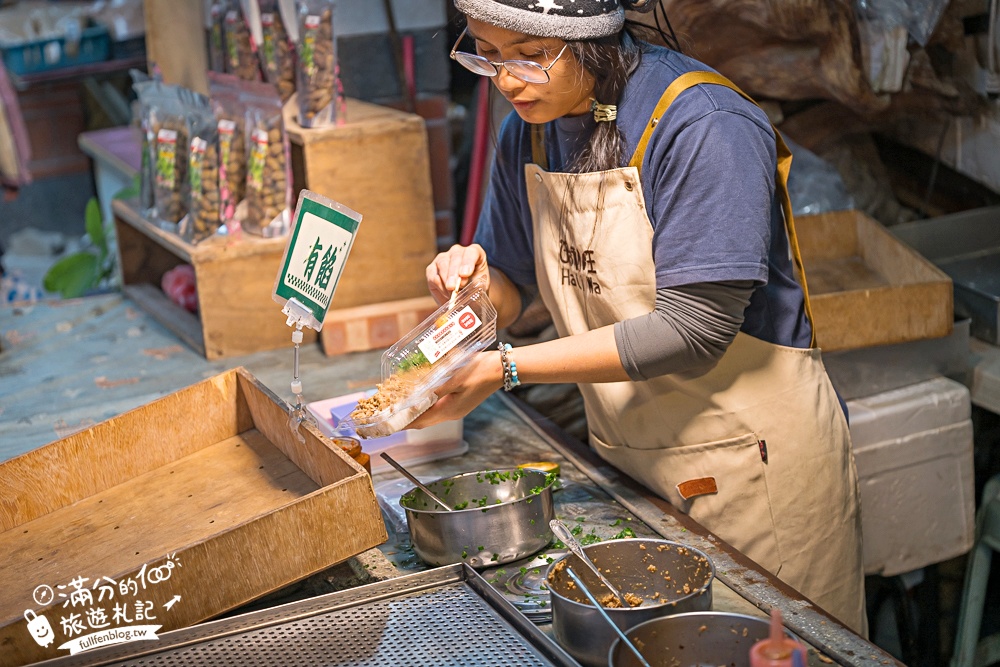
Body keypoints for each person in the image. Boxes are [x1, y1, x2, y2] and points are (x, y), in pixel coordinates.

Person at [413, 0, 867, 635]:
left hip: (752, 467)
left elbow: (694, 328)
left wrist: (507, 368)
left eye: (529, 56)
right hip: (637, 458)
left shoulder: (704, 125)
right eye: (486, 54)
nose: (506, 80)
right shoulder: (530, 127)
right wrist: (476, 288)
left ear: (591, 38)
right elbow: (514, 283)